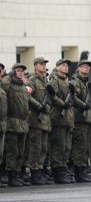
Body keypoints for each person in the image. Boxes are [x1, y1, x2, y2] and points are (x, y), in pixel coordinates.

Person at [25, 57, 53, 185]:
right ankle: (34, 173)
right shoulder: (32, 81)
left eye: (44, 64)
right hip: (36, 119)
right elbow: (27, 95)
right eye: (41, 64)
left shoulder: (45, 82)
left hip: (45, 120)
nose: (43, 66)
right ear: (35, 66)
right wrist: (38, 106)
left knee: (44, 148)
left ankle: (40, 171)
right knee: (36, 147)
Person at [70, 60, 91, 182]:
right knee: (79, 147)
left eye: (88, 67)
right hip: (79, 118)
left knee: (86, 147)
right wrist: (83, 105)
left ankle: (84, 170)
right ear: (78, 68)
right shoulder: (76, 82)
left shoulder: (88, 83)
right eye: (84, 66)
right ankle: (79, 172)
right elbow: (73, 98)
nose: (86, 68)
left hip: (88, 119)